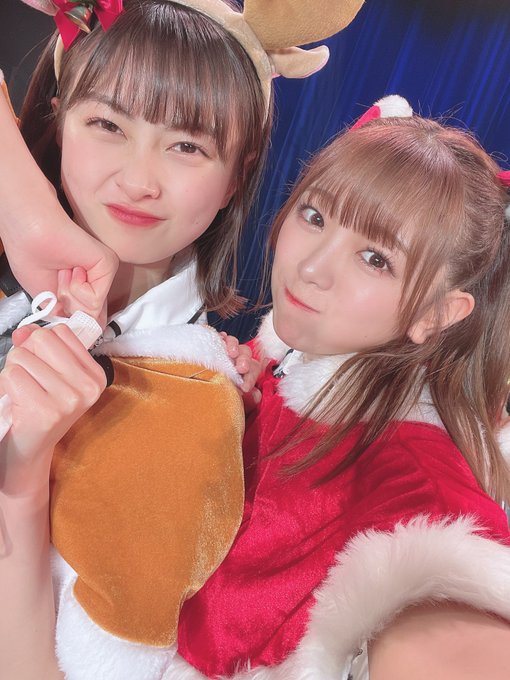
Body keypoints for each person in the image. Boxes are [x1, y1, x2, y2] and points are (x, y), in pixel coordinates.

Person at [0, 1, 364, 678]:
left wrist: (21, 482)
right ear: (59, 116)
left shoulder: (192, 405)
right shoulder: (17, 296)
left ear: (237, 175)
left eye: (188, 146)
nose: (139, 180)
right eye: (108, 125)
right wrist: (23, 211)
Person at [171, 102, 510, 679]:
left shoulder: (416, 491)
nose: (312, 267)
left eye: (375, 259)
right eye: (315, 215)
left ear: (435, 314)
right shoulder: (275, 369)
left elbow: (455, 620)